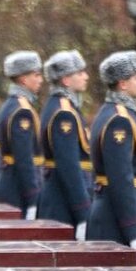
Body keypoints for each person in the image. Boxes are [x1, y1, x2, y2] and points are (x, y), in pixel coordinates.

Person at [88, 51, 136, 260]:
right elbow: (121, 178)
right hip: (115, 220)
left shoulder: (114, 113)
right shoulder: (119, 119)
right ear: (123, 84)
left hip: (114, 215)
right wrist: (134, 231)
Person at [38, 50, 92, 237]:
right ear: (66, 80)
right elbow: (68, 166)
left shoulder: (62, 106)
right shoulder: (64, 113)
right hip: (63, 202)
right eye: (80, 73)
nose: (86, 76)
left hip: (61, 196)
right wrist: (83, 212)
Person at [0, 51, 43, 217]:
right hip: (18, 189)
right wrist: (32, 197)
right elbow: (24, 158)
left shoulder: (11, 104)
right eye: (36, 75)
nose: (40, 80)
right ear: (23, 79)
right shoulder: (22, 110)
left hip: (11, 182)